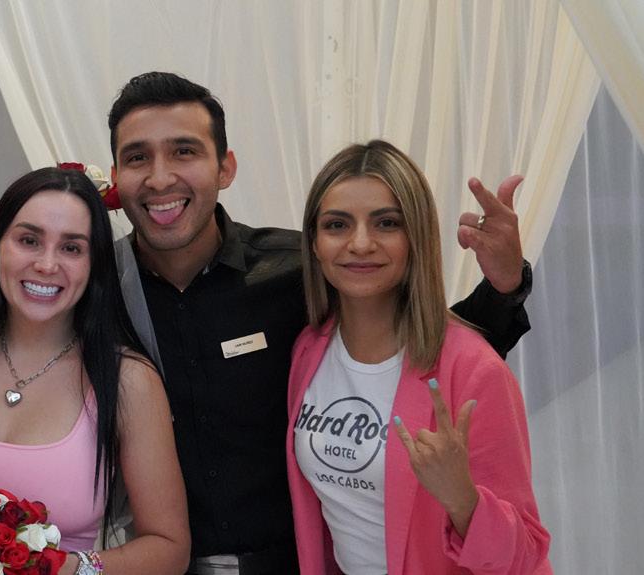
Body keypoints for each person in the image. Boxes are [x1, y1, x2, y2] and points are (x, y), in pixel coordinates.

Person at [105, 72, 534, 574]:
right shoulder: (95, 292)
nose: (160, 178)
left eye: (184, 151)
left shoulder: (298, 271)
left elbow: (426, 343)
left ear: (225, 167)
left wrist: (504, 287)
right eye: (138, 157)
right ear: (115, 175)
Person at [0, 166, 192, 575]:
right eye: (29, 240)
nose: (47, 264)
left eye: (71, 248)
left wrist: (67, 568)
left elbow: (169, 549)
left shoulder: (128, 381)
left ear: (94, 264)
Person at [286, 140, 550, 574]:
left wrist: (464, 501)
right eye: (337, 225)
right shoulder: (308, 349)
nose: (360, 243)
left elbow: (526, 556)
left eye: (386, 223)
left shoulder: (473, 369)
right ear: (314, 242)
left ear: (416, 238)